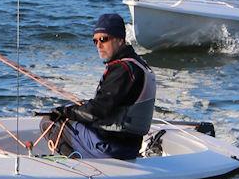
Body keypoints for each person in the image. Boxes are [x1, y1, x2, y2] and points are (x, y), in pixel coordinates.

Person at [40, 13, 156, 160]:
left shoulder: (123, 70)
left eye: (104, 39)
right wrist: (81, 107)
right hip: (130, 146)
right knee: (75, 113)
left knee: (48, 122)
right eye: (95, 41)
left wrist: (65, 111)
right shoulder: (137, 63)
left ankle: (82, 167)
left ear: (120, 39)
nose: (99, 45)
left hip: (113, 148)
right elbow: (109, 104)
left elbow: (97, 111)